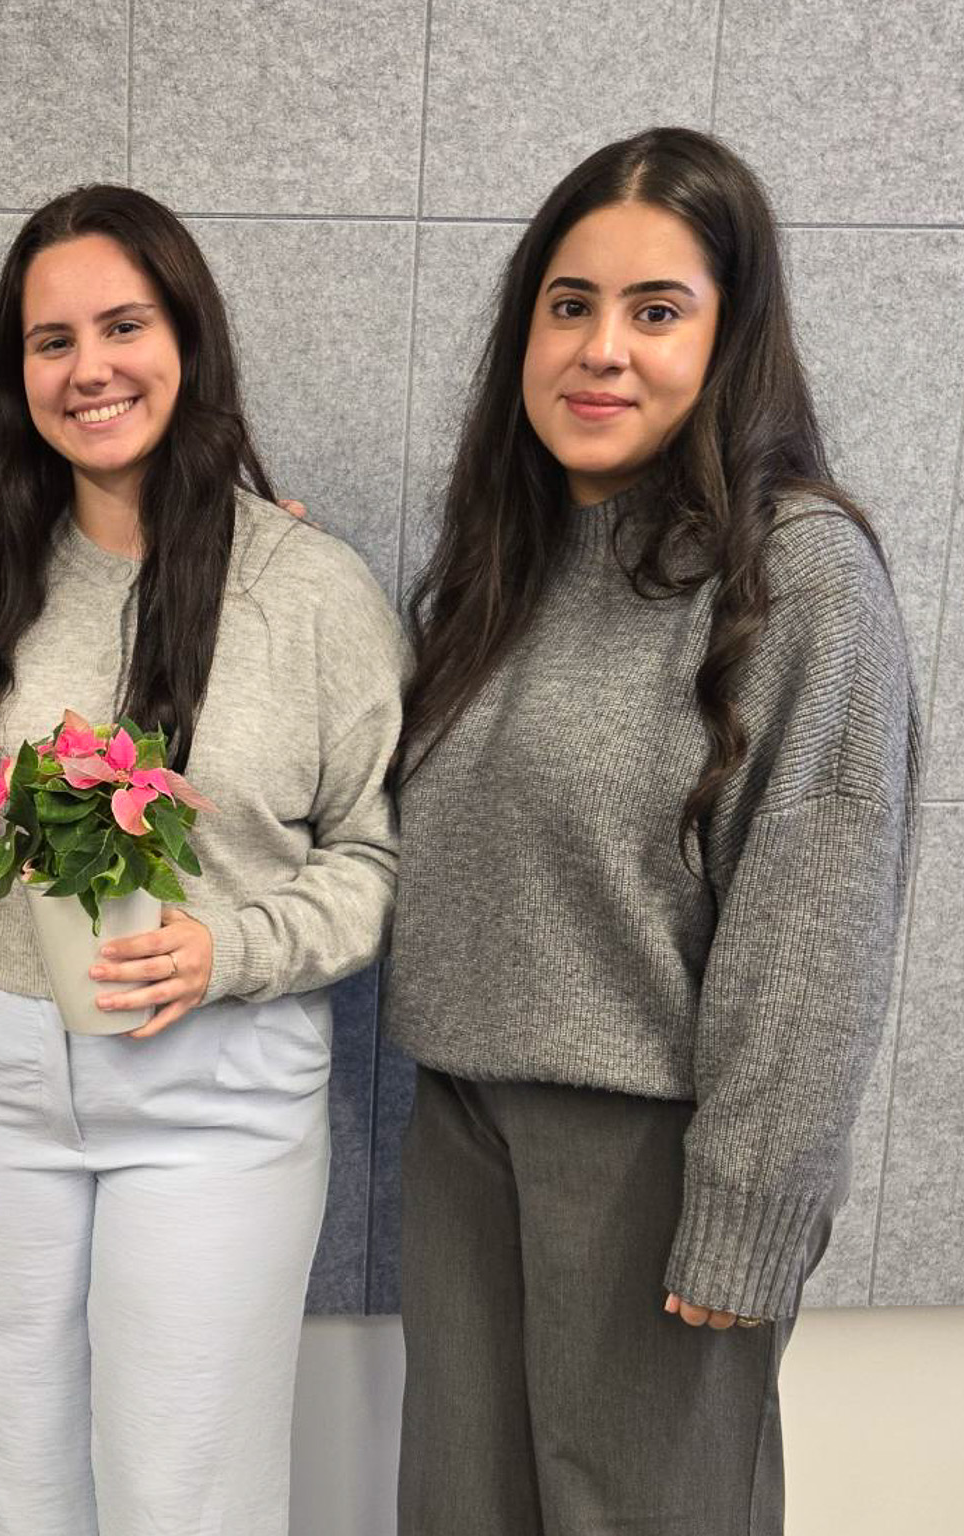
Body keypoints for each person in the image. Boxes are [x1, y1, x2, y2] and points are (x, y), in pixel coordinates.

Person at [385, 127, 917, 1535]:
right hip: (460, 1133)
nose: (600, 350)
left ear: (732, 340)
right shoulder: (502, 566)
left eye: (656, 310)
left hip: (650, 1161)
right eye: (570, 306)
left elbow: (815, 917)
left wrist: (746, 1210)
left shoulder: (798, 574)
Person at [0, 184, 403, 1535]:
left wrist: (230, 947)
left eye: (123, 324)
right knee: (22, 1480)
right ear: (18, 376)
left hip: (213, 1100)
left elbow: (373, 857)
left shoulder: (308, 591)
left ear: (190, 338)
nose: (89, 368)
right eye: (50, 341)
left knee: (185, 1491)